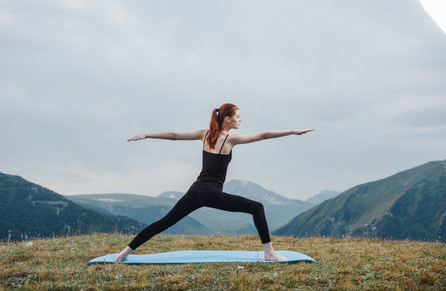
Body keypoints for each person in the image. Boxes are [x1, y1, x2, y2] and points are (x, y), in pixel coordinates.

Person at [115, 103, 314, 262]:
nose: (240, 120)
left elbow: (175, 136)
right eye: (237, 117)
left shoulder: (204, 134)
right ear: (228, 119)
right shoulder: (229, 140)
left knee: (163, 223)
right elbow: (263, 135)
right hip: (211, 193)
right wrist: (293, 131)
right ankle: (269, 253)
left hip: (195, 191)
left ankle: (124, 252)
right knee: (257, 207)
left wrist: (147, 134)